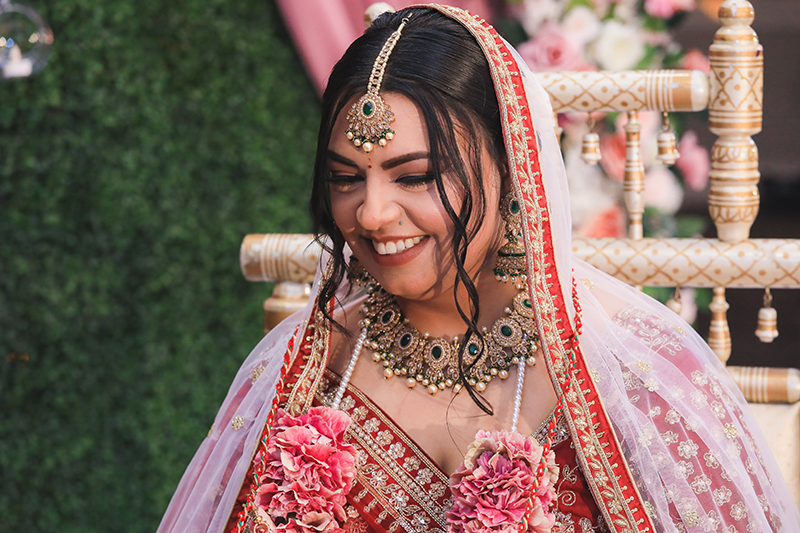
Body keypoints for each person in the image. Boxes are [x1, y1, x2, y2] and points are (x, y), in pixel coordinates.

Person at [156, 5, 800, 533]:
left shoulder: (631, 372)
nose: (373, 213)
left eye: (416, 176)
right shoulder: (306, 365)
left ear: (511, 165)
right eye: (345, 178)